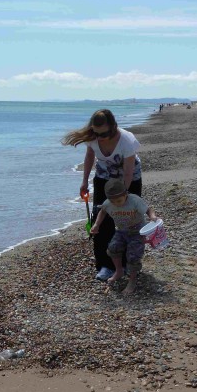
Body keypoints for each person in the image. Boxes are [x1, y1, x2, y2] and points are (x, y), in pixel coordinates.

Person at [62, 109, 143, 281]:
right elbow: (90, 156)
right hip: (104, 178)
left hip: (129, 179)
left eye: (104, 133)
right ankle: (105, 265)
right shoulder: (93, 137)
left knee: (128, 220)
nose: (99, 137)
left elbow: (128, 173)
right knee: (101, 220)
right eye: (96, 133)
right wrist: (84, 182)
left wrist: (123, 197)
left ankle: (129, 263)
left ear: (114, 127)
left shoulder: (127, 141)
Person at [90, 179, 158, 294]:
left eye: (119, 200)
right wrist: (96, 225)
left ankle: (132, 280)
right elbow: (103, 211)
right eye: (113, 201)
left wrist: (153, 217)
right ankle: (119, 271)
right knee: (113, 248)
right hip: (121, 231)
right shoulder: (108, 203)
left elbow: (148, 209)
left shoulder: (134, 200)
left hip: (137, 232)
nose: (117, 203)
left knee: (133, 256)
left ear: (126, 194)